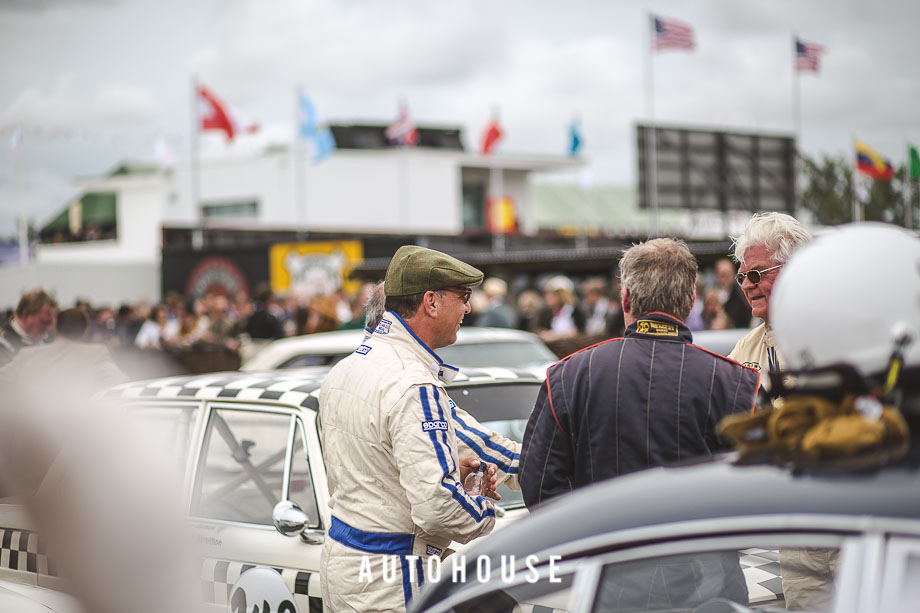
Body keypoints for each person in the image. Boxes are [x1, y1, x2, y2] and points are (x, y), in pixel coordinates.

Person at [519, 238, 760, 609]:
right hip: (710, 587)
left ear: (626, 299)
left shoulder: (570, 375)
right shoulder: (732, 380)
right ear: (691, 299)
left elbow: (538, 486)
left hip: (608, 582)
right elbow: (752, 497)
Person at [319, 245, 519, 612]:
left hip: (344, 563)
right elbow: (438, 508)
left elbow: (374, 468)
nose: (469, 308)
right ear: (431, 302)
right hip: (393, 576)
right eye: (464, 297)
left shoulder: (345, 368)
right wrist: (485, 508)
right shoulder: (415, 385)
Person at [727, 212, 813, 392]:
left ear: (792, 270)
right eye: (742, 277)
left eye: (756, 274)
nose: (746, 285)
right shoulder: (746, 347)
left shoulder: (827, 334)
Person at [0, 289, 58, 365]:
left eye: (51, 323)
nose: (48, 328)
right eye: (44, 322)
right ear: (25, 315)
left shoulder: (46, 340)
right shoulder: (3, 346)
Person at [715, 257, 753, 328]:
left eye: (728, 275)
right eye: (723, 275)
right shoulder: (711, 295)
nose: (726, 279)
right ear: (717, 276)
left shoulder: (741, 295)